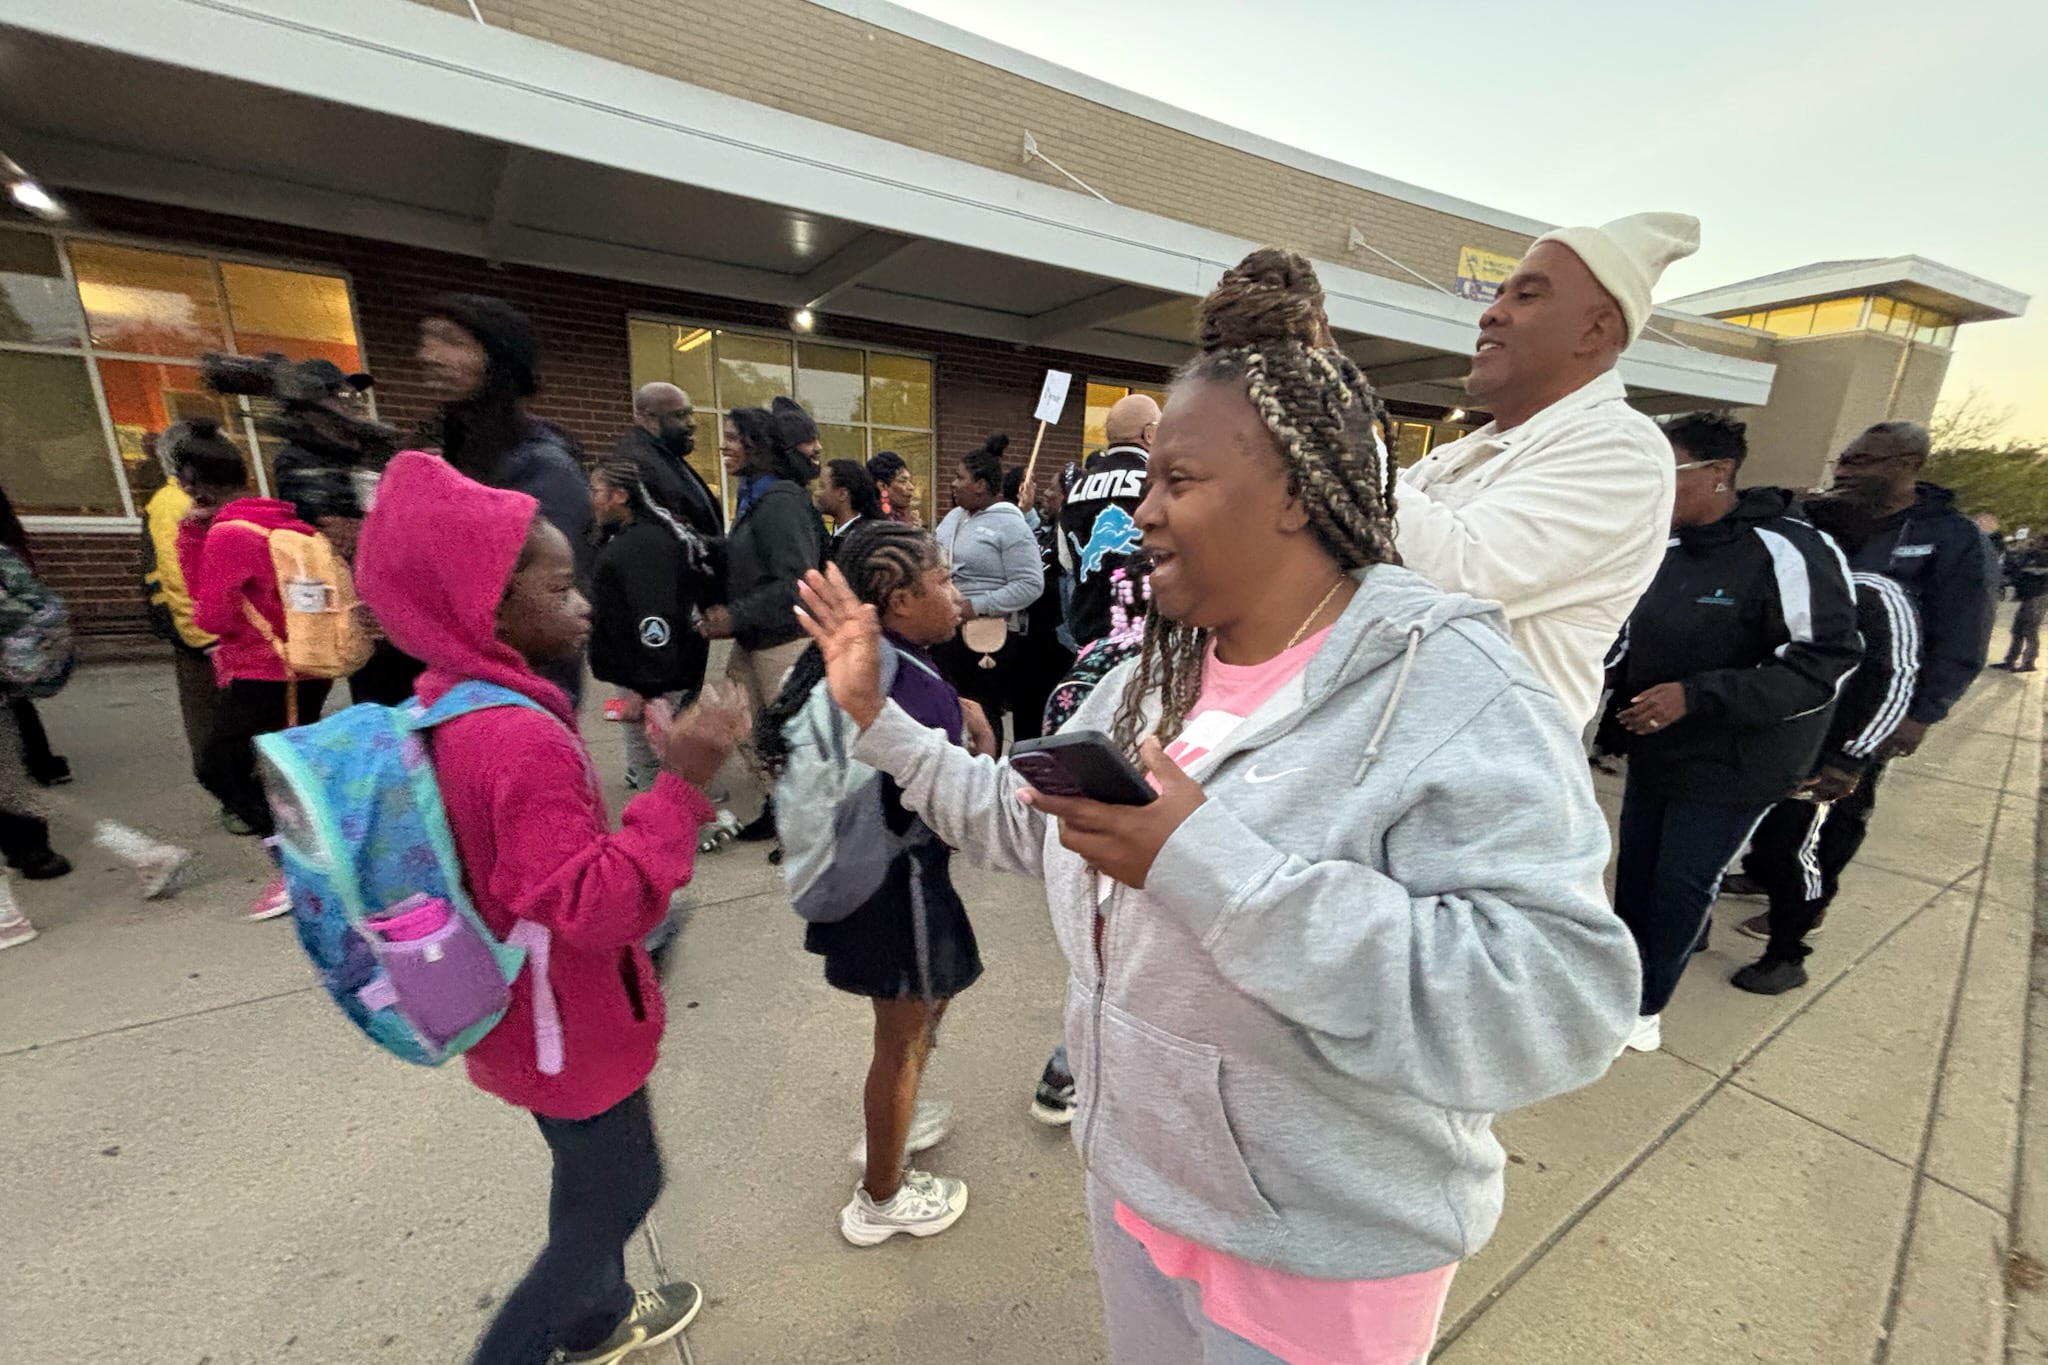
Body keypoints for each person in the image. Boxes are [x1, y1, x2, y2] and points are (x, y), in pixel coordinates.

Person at [796, 248, 1637, 1365]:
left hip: (1316, 1255)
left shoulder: (1450, 689)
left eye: (1176, 483)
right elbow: (1018, 816)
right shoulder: (1145, 677)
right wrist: (879, 720)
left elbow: (1557, 1004)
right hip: (1139, 1187)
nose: (1137, 514)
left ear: (1293, 490)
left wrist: (1205, 864)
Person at [354, 451, 751, 1365]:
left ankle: (594, 1319)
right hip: (562, 1019)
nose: (583, 606)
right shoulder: (517, 736)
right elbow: (599, 904)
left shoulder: (452, 700)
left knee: (589, 1177)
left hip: (523, 1013)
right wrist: (684, 782)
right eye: (560, 588)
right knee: (621, 1188)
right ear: (483, 608)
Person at [1600, 413, 1860, 1053]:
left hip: (1739, 759)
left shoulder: (1792, 548)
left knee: (1681, 884)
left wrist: (1697, 695)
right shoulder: (1663, 550)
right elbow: (1621, 642)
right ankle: (1614, 986)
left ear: (1718, 475)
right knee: (1634, 877)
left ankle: (1646, 1007)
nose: (1648, 490)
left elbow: (1824, 660)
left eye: (1663, 473)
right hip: (1659, 745)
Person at [758, 519, 986, 1245]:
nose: (959, 594)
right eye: (945, 580)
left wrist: (965, 709)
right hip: (900, 886)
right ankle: (880, 1196)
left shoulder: (877, 660)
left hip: (865, 874)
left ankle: (897, 1113)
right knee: (903, 1037)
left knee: (921, 1012)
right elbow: (953, 810)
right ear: (896, 598)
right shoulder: (912, 684)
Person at [1396, 212, 1699, 727]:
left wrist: (1334, 438)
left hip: (1477, 782)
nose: (1490, 315)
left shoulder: (1621, 452)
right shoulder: (1468, 449)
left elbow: (1456, 574)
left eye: (1526, 296)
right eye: (1497, 295)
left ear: (1595, 329)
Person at [1723, 421, 1994, 913]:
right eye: (1844, 461)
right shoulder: (1829, 518)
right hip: (1805, 687)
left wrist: (1923, 714)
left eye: (1861, 461)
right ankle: (1764, 872)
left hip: (1875, 700)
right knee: (1783, 791)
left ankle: (1809, 905)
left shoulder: (1952, 538)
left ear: (1907, 465)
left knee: (1837, 802)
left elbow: (1964, 631)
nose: (1845, 471)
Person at [1730, 570, 1921, 994]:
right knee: (1757, 841)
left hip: (1825, 749)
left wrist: (1852, 757)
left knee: (1796, 848)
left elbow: (1898, 678)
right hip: (1763, 739)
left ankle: (1786, 953)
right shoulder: (1767, 576)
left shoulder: (1872, 593)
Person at [176, 419, 335, 922]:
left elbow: (210, 615)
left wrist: (190, 535)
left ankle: (299, 866)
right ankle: (309, 858)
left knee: (221, 765)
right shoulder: (282, 520)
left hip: (267, 670)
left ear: (192, 479)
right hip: (304, 664)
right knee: (282, 768)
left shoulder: (229, 534)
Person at [416, 294, 592, 703]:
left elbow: (540, 595)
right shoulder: (447, 450)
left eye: (451, 341)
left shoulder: (540, 465)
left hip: (516, 686)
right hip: (455, 677)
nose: (428, 355)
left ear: (497, 357)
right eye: (425, 340)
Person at [699, 407, 822, 840]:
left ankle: (808, 819)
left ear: (758, 445)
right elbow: (747, 560)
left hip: (783, 642)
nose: (724, 446)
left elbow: (796, 580)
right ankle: (779, 804)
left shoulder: (781, 500)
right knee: (747, 729)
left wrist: (735, 615)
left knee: (792, 735)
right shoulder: (756, 498)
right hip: (754, 641)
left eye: (733, 438)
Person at [587, 456, 714, 790]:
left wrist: (644, 692)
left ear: (621, 496)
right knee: (658, 765)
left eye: (597, 490)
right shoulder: (635, 536)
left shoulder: (642, 547)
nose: (592, 498)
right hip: (647, 674)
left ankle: (677, 835)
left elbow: (654, 620)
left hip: (654, 679)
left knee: (659, 769)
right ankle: (671, 831)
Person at [142, 425, 240, 831]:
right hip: (205, 636)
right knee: (214, 722)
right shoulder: (173, 504)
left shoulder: (191, 499)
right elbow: (178, 577)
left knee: (230, 720)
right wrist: (204, 638)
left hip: (221, 629)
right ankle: (234, 801)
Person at [933, 433, 1042, 751]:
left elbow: (1030, 584)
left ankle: (985, 777)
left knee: (981, 710)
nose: (953, 484)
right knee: (949, 706)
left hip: (986, 639)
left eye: (959, 477)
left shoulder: (1012, 526)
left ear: (981, 484)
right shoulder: (954, 517)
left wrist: (976, 605)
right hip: (946, 630)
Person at [1059, 395, 1158, 649]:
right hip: (1144, 633)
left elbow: (1067, 560)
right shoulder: (1158, 483)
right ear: (1149, 434)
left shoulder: (1076, 488)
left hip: (1089, 633)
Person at [0, 485, 68, 787]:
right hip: (16, 626)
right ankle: (42, 762)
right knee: (16, 696)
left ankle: (33, 764)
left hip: (10, 623)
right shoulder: (9, 542)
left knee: (12, 698)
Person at [1003, 464, 1075, 744]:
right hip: (1028, 646)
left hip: (1055, 650)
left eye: (1052, 489)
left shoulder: (1071, 542)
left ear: (1067, 497)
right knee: (1024, 719)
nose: (1045, 493)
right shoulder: (1046, 531)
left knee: (1044, 724)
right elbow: (1034, 537)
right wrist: (1027, 508)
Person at [611, 382, 722, 540]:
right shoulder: (640, 463)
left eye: (690, 413)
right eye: (679, 415)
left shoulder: (664, 457)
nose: (691, 423)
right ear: (649, 418)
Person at [1993, 538, 2046, 672]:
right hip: (2029, 597)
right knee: (2017, 630)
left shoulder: (2043, 558)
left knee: (2030, 631)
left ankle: (2028, 663)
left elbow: (2023, 572)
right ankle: (2010, 660)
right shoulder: (2031, 556)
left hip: (2037, 597)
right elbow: (2015, 572)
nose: (2032, 543)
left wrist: (2016, 555)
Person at [818, 458, 883, 545]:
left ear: (842, 494)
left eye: (822, 486)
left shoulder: (865, 540)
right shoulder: (831, 536)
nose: (817, 493)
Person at [869, 449, 921, 527]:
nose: (911, 487)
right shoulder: (874, 522)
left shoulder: (899, 516)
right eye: (903, 481)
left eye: (909, 481)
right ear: (882, 486)